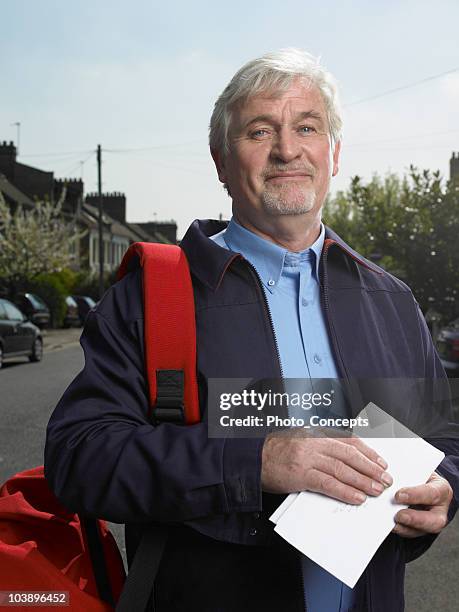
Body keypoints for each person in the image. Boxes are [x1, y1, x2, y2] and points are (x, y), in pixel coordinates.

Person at [45, 49, 458, 611]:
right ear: (220, 161)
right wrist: (256, 461)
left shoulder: (392, 300)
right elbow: (79, 457)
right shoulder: (151, 299)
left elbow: (444, 436)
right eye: (260, 131)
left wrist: (446, 489)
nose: (287, 149)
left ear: (333, 153)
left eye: (306, 128)